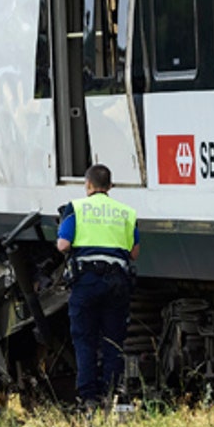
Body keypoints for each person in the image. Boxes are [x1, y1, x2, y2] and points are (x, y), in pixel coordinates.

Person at [56, 163, 139, 405]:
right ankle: (111, 393)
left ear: (88, 185)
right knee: (114, 339)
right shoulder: (126, 212)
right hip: (118, 282)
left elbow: (63, 245)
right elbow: (134, 253)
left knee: (85, 339)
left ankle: (89, 397)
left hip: (87, 282)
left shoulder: (76, 208)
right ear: (110, 186)